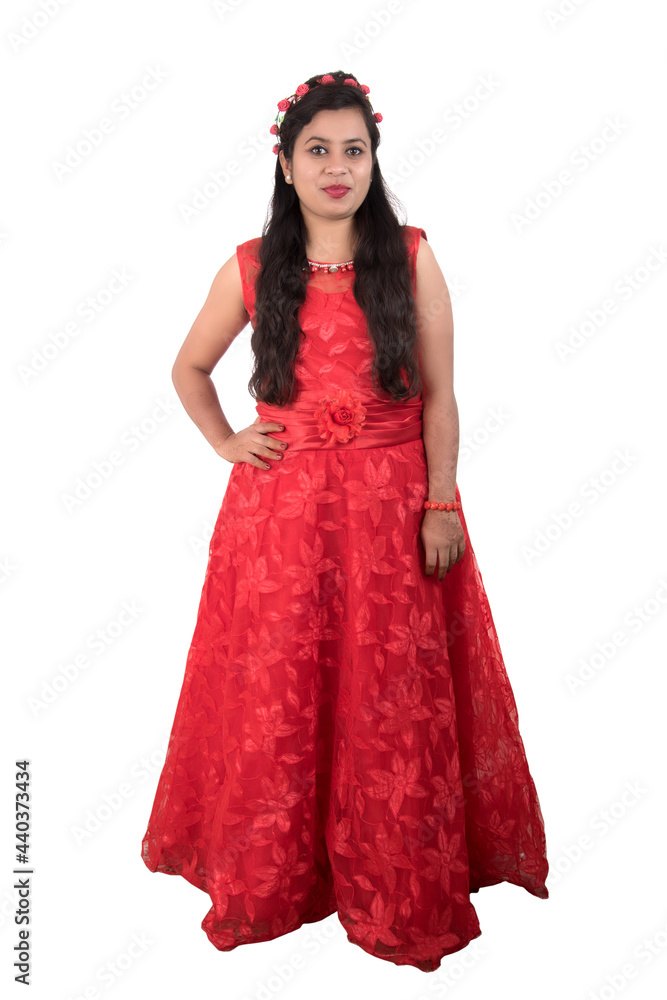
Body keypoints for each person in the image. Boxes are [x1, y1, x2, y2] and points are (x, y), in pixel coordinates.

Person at [140, 70, 549, 973]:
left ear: (373, 161)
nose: (336, 166)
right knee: (280, 687)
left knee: (389, 690)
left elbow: (441, 395)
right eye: (316, 150)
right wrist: (225, 442)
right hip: (280, 521)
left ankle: (395, 882)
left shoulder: (409, 256)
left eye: (352, 151)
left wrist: (440, 501)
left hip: (394, 510)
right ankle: (282, 877)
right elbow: (188, 369)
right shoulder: (252, 266)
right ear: (285, 165)